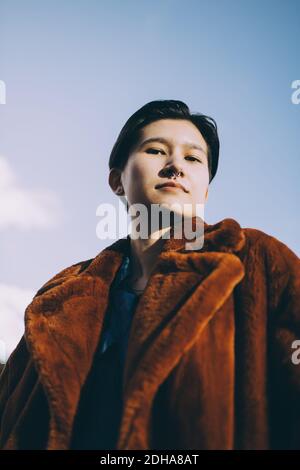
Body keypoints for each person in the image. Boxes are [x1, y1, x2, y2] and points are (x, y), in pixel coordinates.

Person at [0, 100, 299, 450]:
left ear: (205, 189)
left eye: (193, 158)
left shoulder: (258, 262)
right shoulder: (56, 300)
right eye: (156, 150)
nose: (175, 167)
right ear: (117, 181)